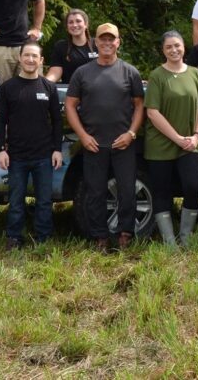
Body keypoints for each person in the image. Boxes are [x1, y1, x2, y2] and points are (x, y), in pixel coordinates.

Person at [65, 23, 145, 251]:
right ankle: (100, 237)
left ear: (119, 42)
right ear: (96, 43)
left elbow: (140, 106)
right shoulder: (82, 73)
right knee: (95, 192)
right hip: (93, 144)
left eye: (112, 39)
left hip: (123, 143)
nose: (108, 43)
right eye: (103, 39)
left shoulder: (130, 72)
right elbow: (70, 106)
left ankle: (126, 233)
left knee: (127, 190)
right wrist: (83, 136)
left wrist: (131, 133)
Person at [0, 42, 63, 250]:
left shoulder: (49, 88)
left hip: (44, 155)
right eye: (27, 55)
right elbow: (0, 121)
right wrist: (1, 150)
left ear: (41, 61)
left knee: (44, 200)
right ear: (20, 58)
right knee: (16, 200)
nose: (31, 60)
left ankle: (43, 237)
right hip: (16, 156)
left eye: (35, 56)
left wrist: (57, 149)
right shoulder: (8, 88)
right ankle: (14, 237)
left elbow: (57, 121)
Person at [144, 31, 198, 247]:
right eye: (169, 47)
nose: (174, 50)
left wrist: (196, 135)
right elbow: (152, 112)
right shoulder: (157, 76)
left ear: (184, 47)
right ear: (163, 51)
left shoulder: (194, 74)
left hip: (190, 143)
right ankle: (169, 242)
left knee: (193, 186)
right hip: (160, 144)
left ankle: (185, 237)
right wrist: (177, 138)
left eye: (177, 46)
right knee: (162, 191)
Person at [45, 8, 97, 83]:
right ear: (67, 27)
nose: (74, 25)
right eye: (70, 22)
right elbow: (55, 73)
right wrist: (43, 85)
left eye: (78, 21)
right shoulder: (61, 46)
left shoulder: (98, 44)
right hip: (70, 92)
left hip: (95, 91)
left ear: (86, 24)